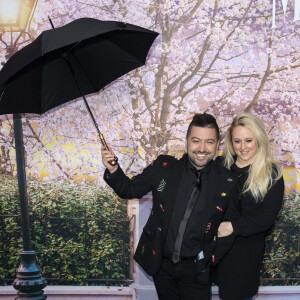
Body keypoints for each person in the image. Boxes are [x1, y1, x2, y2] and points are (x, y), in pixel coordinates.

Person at [101, 113, 238, 300]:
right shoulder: (164, 167)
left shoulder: (226, 180)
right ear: (187, 141)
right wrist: (113, 169)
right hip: (162, 267)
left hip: (197, 271)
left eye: (209, 142)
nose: (202, 148)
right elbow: (130, 189)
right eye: (196, 141)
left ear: (217, 144)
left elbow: (230, 228)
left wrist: (208, 262)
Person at [212, 112, 284, 300]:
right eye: (237, 141)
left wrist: (232, 227)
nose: (243, 147)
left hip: (246, 252)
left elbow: (266, 218)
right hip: (215, 248)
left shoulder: (272, 172)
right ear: (231, 142)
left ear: (258, 140)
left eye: (248, 140)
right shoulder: (220, 165)